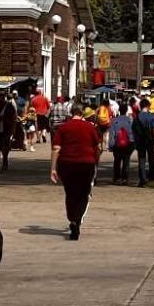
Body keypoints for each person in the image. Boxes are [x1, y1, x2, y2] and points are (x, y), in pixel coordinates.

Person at [50, 102, 102, 240]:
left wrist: (53, 169)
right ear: (82, 112)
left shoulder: (62, 128)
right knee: (83, 194)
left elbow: (56, 148)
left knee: (70, 193)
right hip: (86, 164)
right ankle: (77, 220)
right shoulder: (90, 128)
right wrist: (96, 162)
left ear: (71, 112)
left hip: (66, 164)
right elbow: (97, 147)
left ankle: (72, 218)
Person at [133, 99, 154, 186]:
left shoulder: (136, 117)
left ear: (140, 106)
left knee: (141, 160)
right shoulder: (152, 116)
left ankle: (142, 179)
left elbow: (134, 131)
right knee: (151, 159)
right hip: (151, 140)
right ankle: (152, 177)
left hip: (140, 141)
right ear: (148, 106)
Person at [108, 103, 136, 184]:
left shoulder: (114, 121)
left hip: (117, 144)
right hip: (128, 144)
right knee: (126, 161)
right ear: (127, 110)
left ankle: (116, 178)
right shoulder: (130, 120)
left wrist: (111, 145)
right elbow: (132, 133)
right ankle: (125, 178)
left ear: (119, 110)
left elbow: (112, 134)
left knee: (117, 161)